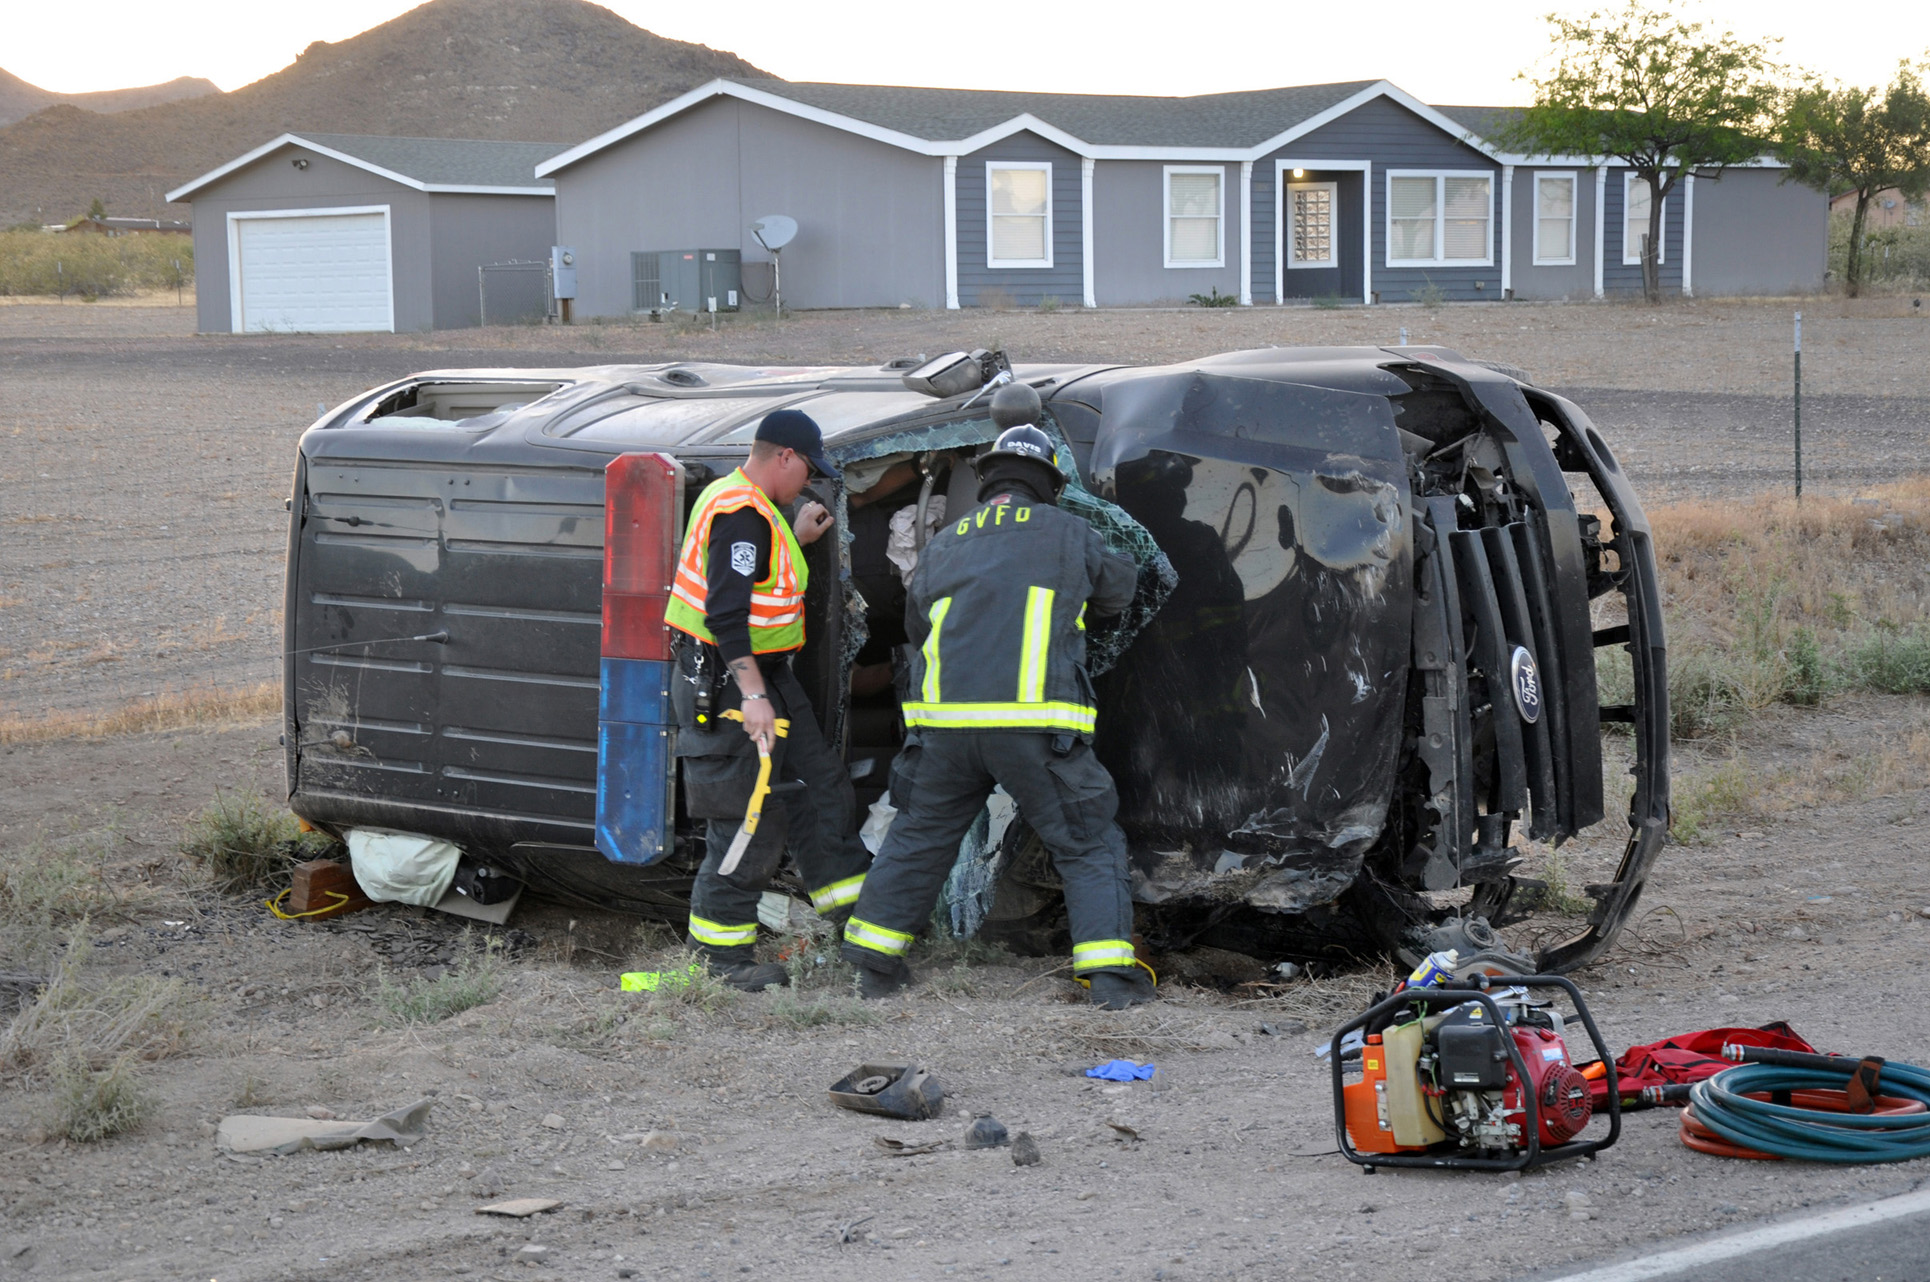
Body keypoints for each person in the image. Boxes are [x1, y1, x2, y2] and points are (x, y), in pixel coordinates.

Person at [840, 386, 1155, 1009]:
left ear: (989, 484)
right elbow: (1121, 592)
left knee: (921, 836)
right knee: (1087, 841)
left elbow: (915, 631)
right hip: (1034, 729)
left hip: (943, 731)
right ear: (1049, 484)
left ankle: (871, 965)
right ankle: (1111, 979)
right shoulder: (1067, 531)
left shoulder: (945, 545)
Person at [664, 409, 871, 991]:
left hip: (768, 676)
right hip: (734, 684)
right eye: (805, 469)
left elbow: (758, 578)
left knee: (819, 785)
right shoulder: (741, 515)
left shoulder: (755, 510)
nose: (807, 482)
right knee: (748, 816)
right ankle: (720, 961)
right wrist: (754, 695)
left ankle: (861, 927)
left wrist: (796, 535)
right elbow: (725, 615)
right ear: (783, 455)